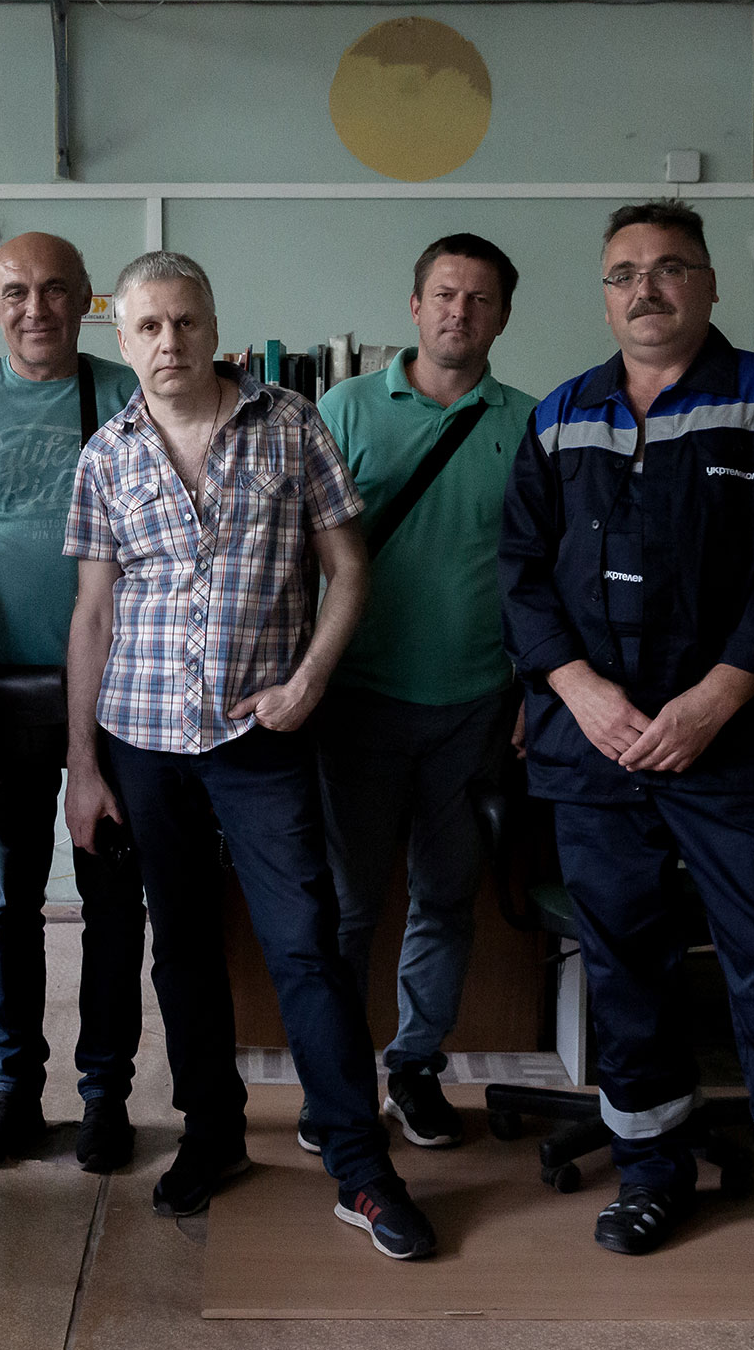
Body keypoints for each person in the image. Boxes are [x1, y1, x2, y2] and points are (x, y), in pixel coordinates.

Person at [498, 200, 754, 1310]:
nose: (646, 287)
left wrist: (713, 701)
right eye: (623, 272)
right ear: (604, 295)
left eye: (670, 266)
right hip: (593, 748)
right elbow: (520, 574)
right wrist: (578, 689)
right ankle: (651, 1169)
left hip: (725, 748)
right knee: (624, 967)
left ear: (710, 284)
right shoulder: (560, 417)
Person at [63, 250, 438, 1262]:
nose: (169, 342)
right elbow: (92, 613)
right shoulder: (105, 455)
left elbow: (347, 568)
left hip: (260, 740)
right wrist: (83, 767)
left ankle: (359, 1167)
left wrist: (309, 681)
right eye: (149, 326)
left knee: (304, 944)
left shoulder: (289, 424)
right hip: (142, 740)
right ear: (123, 338)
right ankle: (213, 1132)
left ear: (213, 324)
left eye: (186, 321)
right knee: (182, 947)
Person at [0, 233, 149, 1173]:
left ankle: (105, 1096)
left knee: (112, 900)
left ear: (87, 299)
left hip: (123, 698)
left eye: (56, 290)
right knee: (9, 897)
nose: (36, 307)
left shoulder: (131, 391)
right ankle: (16, 1088)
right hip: (5, 693)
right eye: (15, 291)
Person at [310, 233, 535, 1153]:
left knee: (445, 899)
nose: (459, 312)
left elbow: (542, 573)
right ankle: (337, 1087)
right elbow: (296, 551)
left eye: (480, 299)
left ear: (503, 316)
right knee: (347, 906)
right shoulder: (344, 410)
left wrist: (537, 689)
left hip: (476, 708)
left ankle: (413, 1069)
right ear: (415, 305)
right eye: (445, 294)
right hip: (356, 703)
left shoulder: (528, 424)